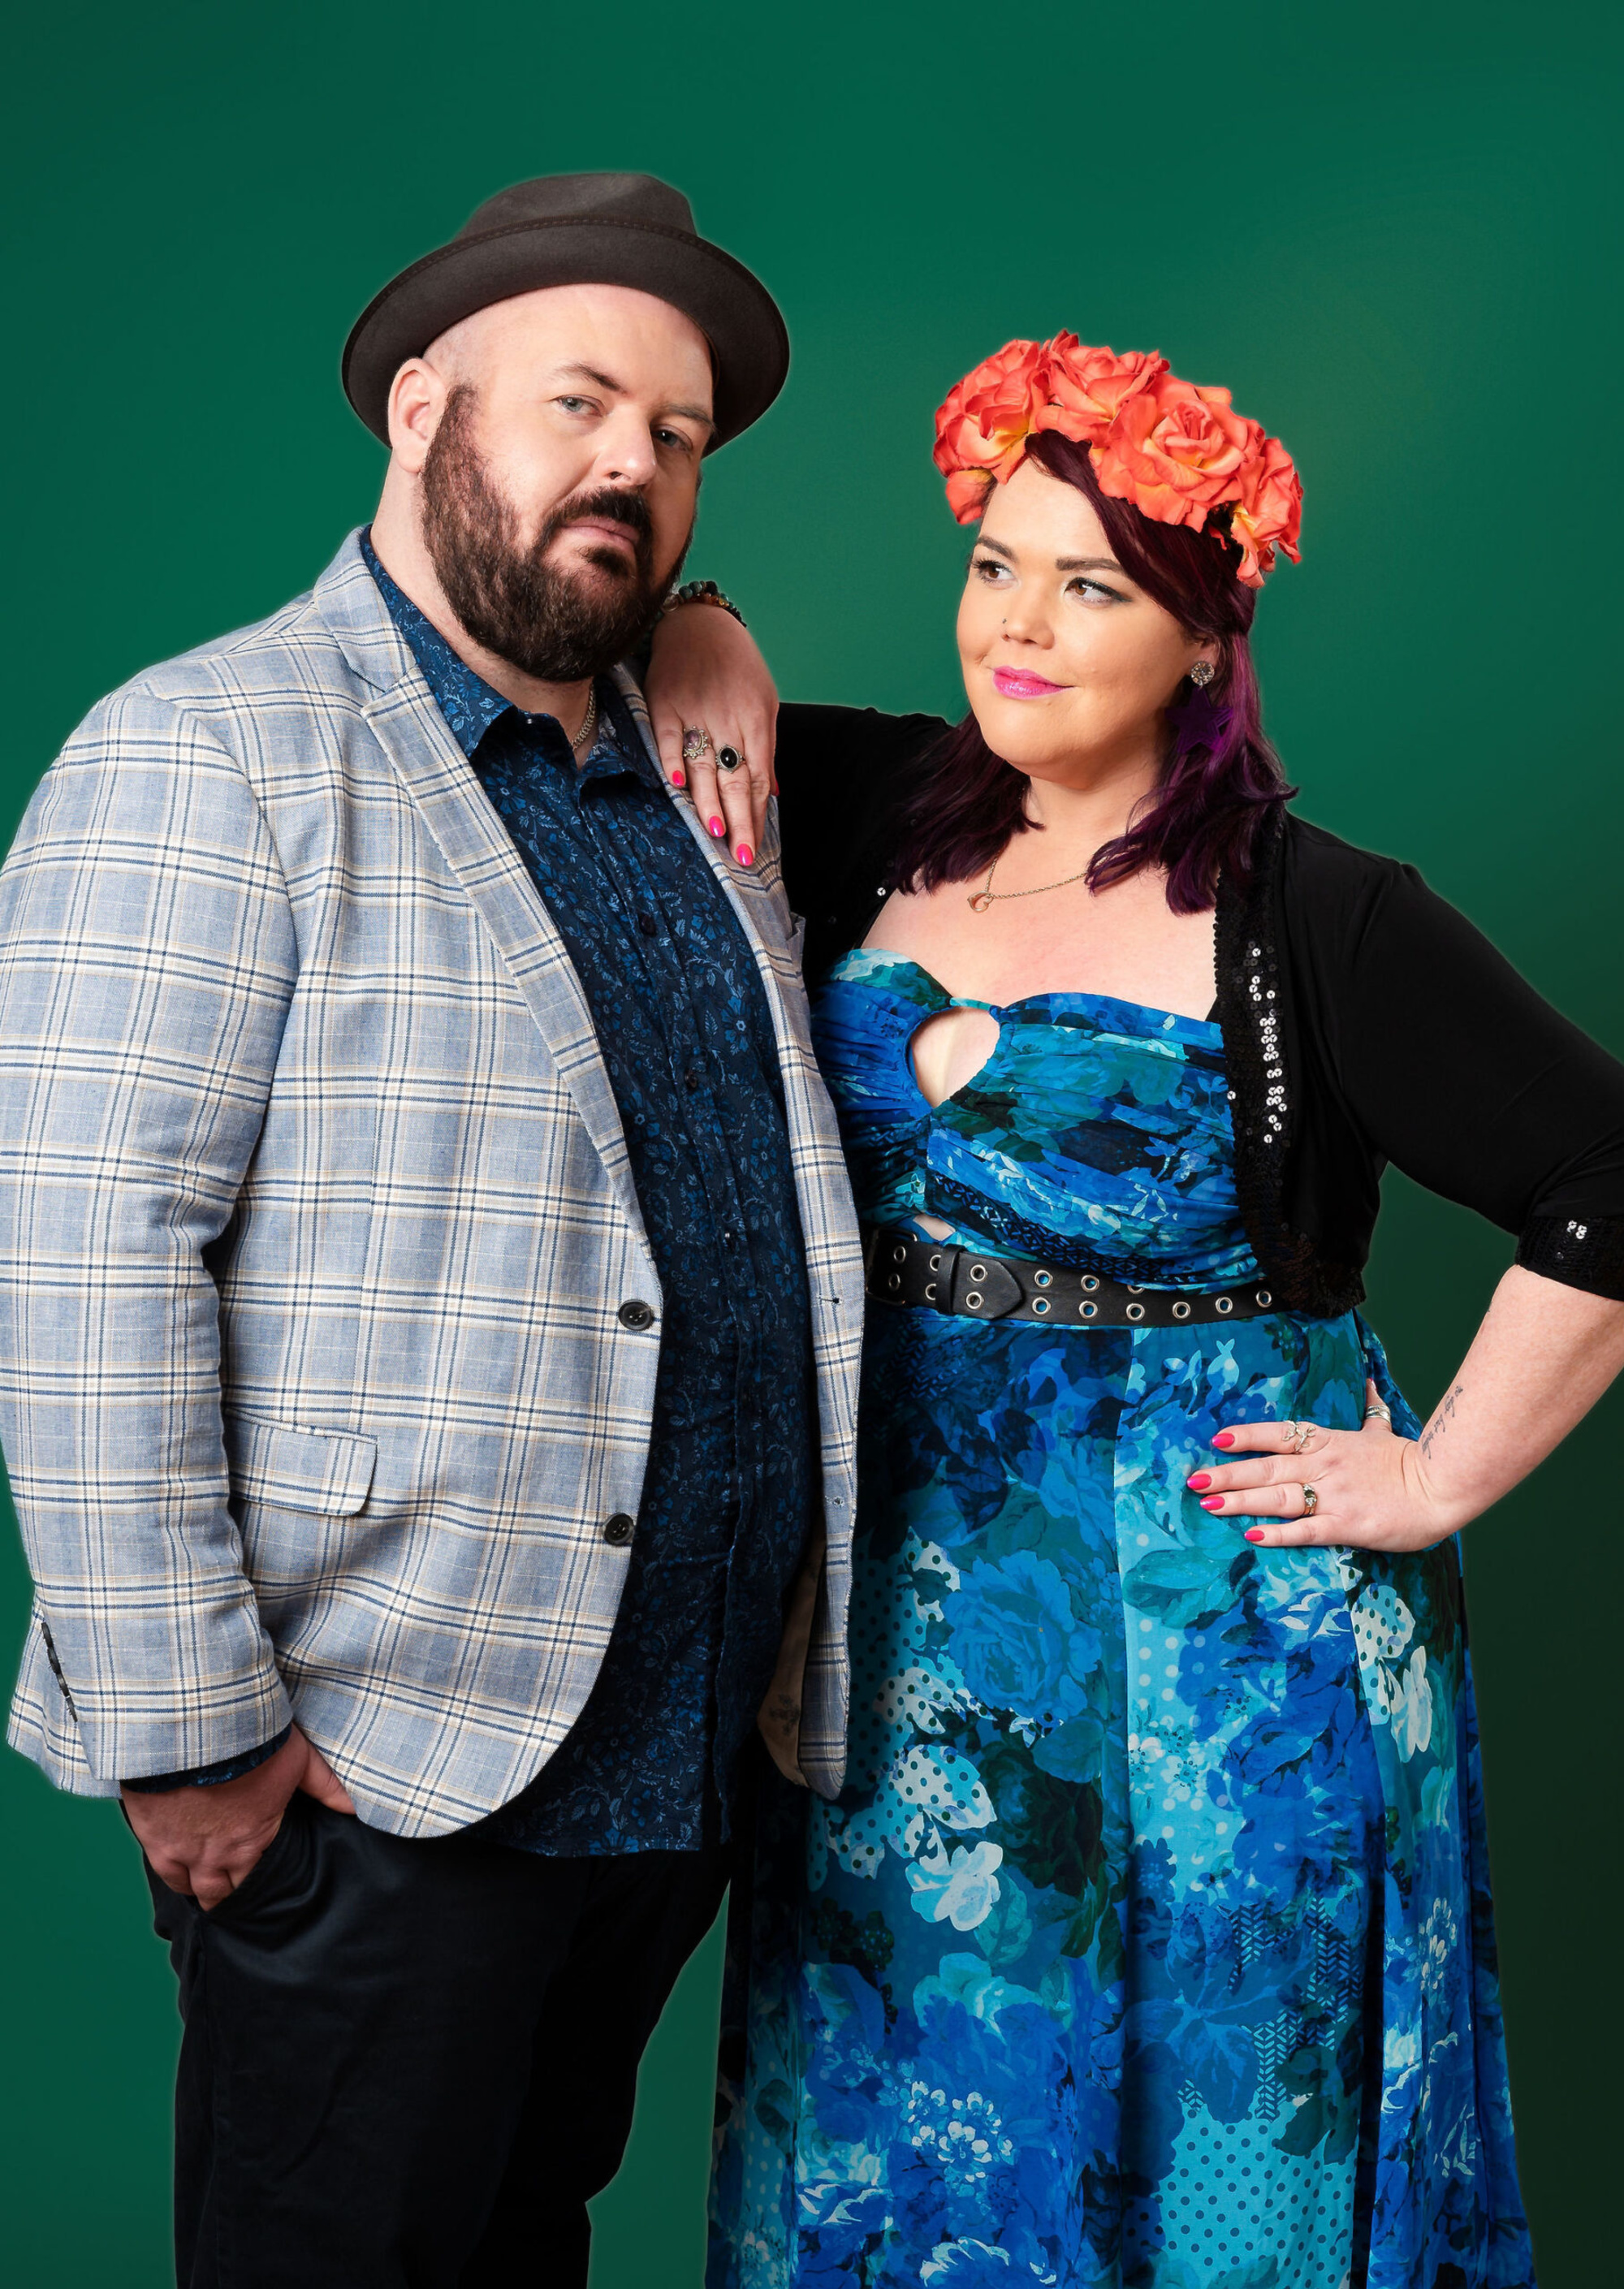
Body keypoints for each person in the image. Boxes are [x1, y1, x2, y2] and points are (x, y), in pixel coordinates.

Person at [0, 171, 866, 2289]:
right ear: (416, 409)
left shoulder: (682, 752)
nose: (626, 468)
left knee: (525, 2246)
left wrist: (714, 612)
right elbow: (86, 1267)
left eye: (674, 441)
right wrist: (189, 1731)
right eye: (577, 402)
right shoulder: (209, 751)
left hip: (666, 1762)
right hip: (375, 1770)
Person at [704, 334, 1624, 2287]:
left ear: (1205, 637)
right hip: (902, 1641)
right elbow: (654, 663)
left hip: (1232, 1654)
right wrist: (709, 631)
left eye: (1093, 586)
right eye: (993, 566)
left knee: (1227, 2126)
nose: (1018, 627)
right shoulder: (866, 806)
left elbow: (1607, 1182)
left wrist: (1440, 1472)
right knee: (895, 2126)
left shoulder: (1319, 914)